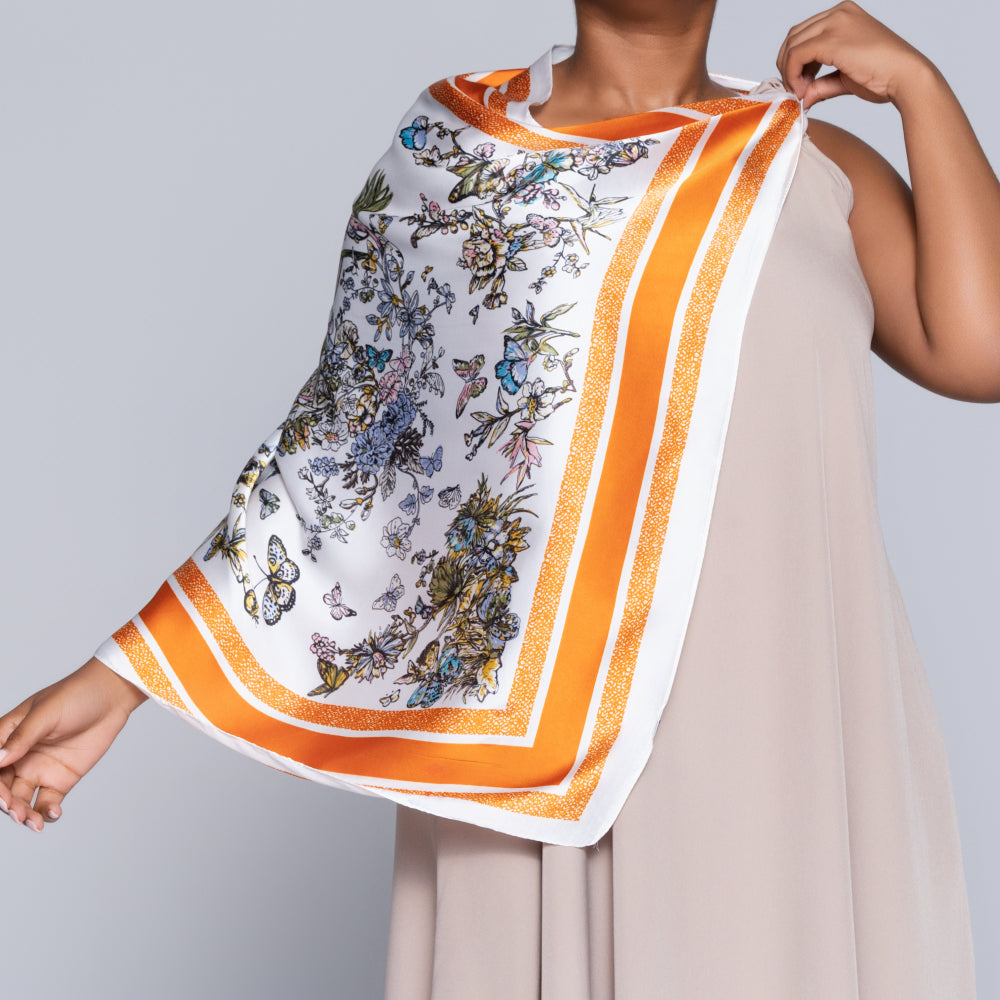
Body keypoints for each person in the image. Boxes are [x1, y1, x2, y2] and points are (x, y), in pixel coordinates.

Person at [1, 1, 990, 995]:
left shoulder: (809, 165)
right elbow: (342, 464)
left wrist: (921, 88)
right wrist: (127, 673)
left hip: (789, 717)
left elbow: (978, 349)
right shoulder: (459, 159)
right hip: (540, 763)